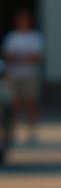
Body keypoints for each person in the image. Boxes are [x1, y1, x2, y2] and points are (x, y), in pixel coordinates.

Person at [1, 9, 44, 144]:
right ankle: (12, 131)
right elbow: (8, 56)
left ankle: (31, 131)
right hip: (14, 75)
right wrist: (24, 57)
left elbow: (36, 57)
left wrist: (18, 57)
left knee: (31, 103)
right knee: (14, 104)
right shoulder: (11, 37)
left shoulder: (34, 37)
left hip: (30, 74)